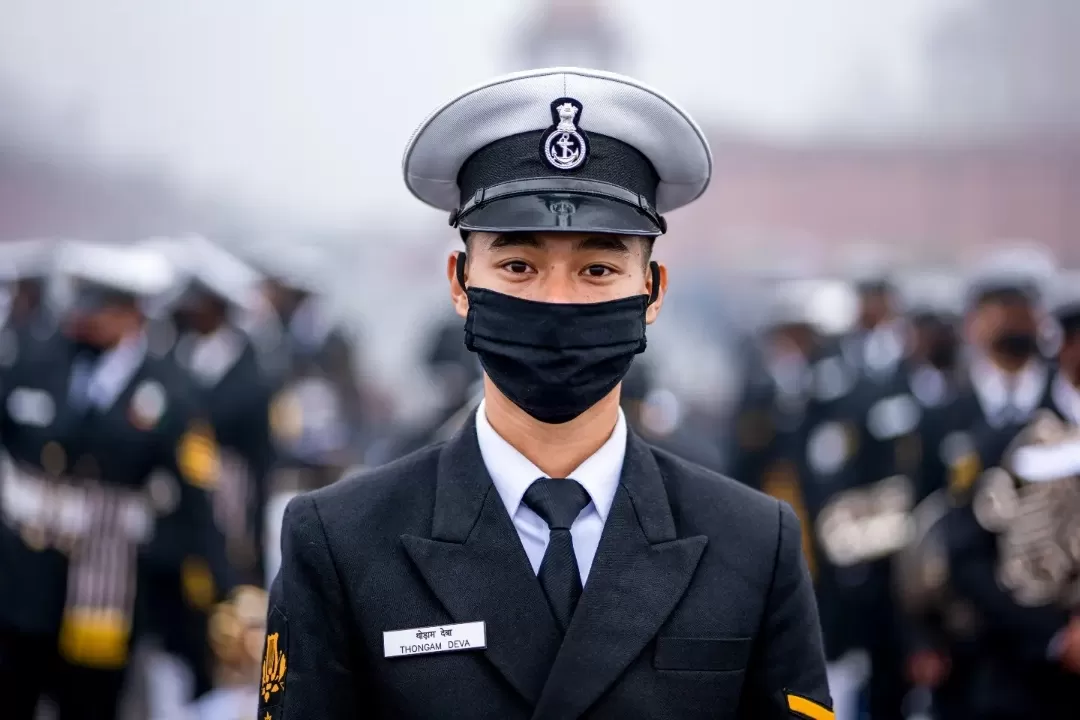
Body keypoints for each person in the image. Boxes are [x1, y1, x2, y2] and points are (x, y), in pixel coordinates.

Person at [258, 67, 831, 720]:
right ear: (458, 280)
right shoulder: (341, 543)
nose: (556, 300)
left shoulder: (753, 545)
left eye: (597, 269)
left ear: (653, 292)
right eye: (518, 266)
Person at [0, 241, 234, 719]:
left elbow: (196, 498)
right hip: (21, 574)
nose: (82, 320)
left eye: (97, 310)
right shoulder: (36, 361)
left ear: (131, 315)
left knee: (91, 702)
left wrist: (224, 589)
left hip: (107, 581)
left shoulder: (170, 391)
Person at [138, 235, 275, 718]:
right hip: (177, 510)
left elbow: (252, 457)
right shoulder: (175, 354)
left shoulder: (252, 370)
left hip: (230, 507)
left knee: (218, 625)